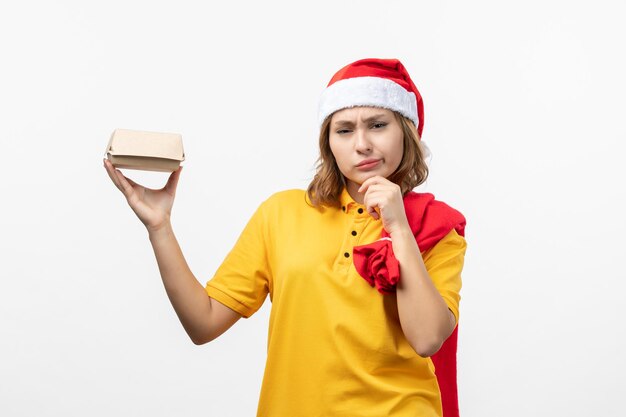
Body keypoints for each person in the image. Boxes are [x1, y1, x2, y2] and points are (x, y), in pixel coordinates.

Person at [103, 58, 467, 417]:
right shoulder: (281, 214)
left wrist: (399, 227)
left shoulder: (438, 225)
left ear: (405, 130)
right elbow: (203, 323)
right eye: (344, 129)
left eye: (377, 125)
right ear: (328, 143)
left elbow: (427, 339)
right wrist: (159, 226)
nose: (362, 144)